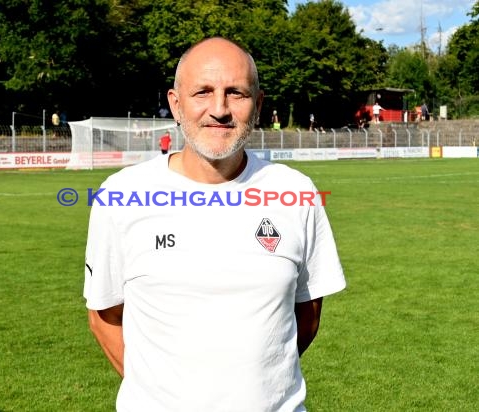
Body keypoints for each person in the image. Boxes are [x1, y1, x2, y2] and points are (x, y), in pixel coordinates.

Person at [84, 37, 346, 412]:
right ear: (176, 104)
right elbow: (104, 318)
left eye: (236, 93)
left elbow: (308, 314)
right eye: (203, 92)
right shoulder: (121, 195)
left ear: (258, 105)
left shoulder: (296, 191)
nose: (219, 109)